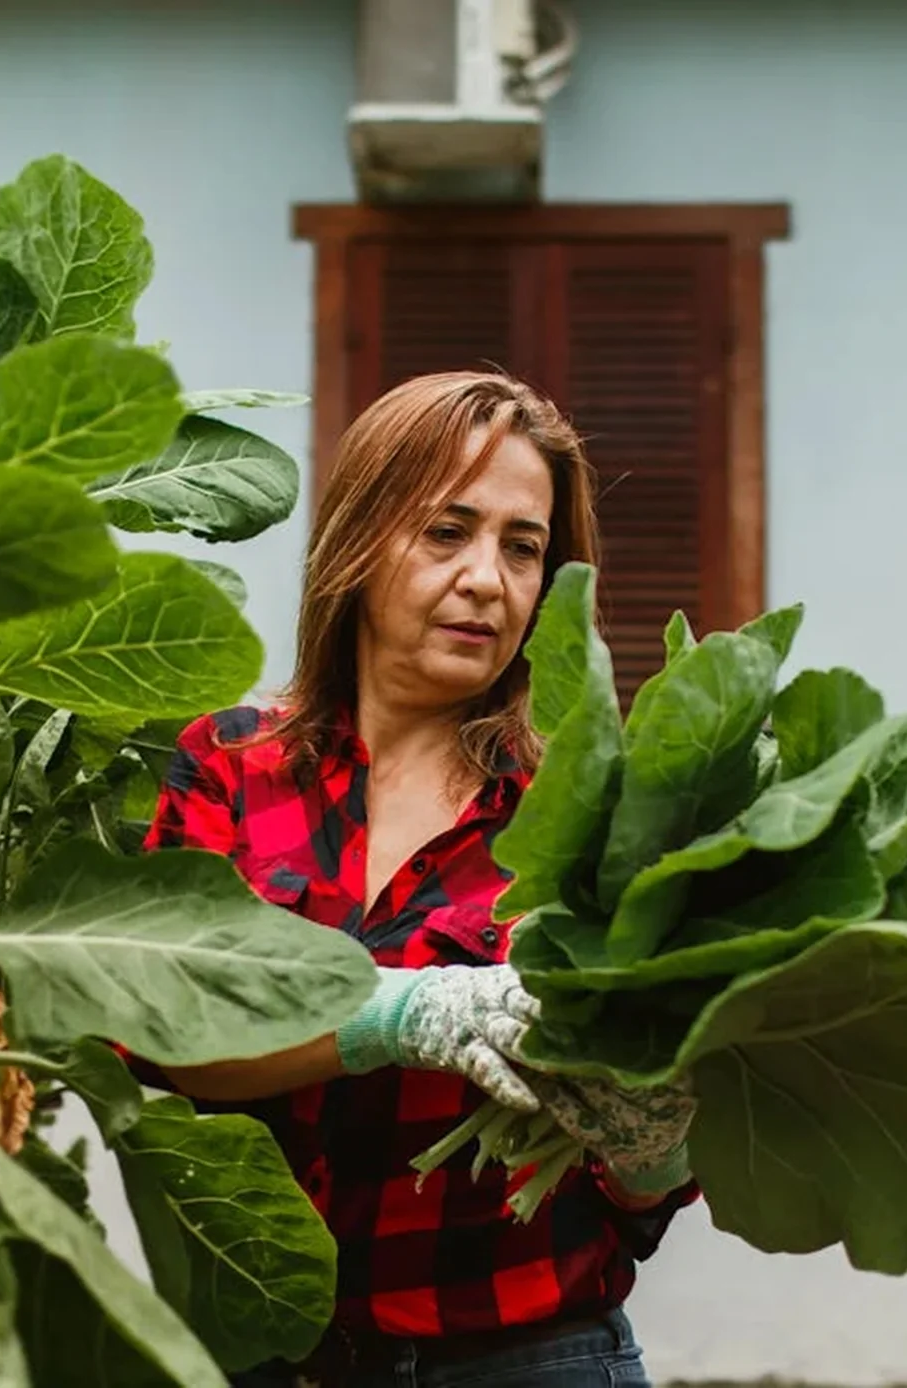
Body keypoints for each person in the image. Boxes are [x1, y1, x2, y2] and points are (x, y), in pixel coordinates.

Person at [142, 372, 698, 1388]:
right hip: (267, 1358)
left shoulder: (590, 807)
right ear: (357, 541)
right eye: (446, 531)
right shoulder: (228, 763)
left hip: (536, 1354)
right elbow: (166, 1029)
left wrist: (654, 1145)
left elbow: (648, 1186)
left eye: (521, 546)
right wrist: (407, 1010)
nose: (486, 577)